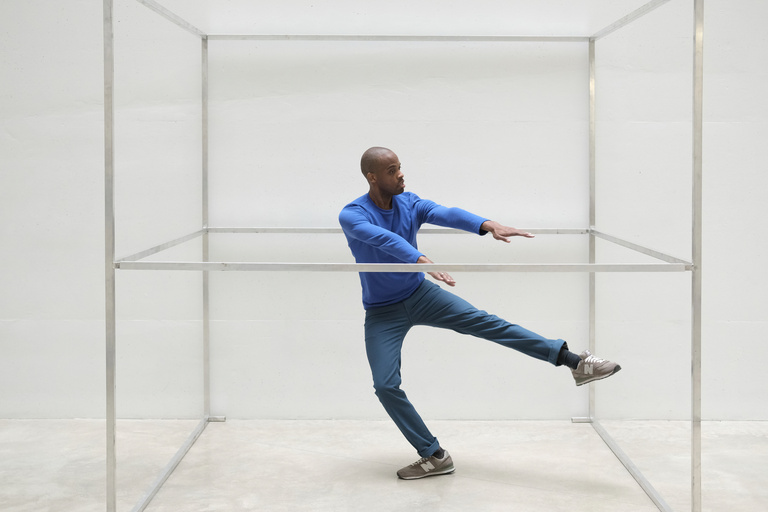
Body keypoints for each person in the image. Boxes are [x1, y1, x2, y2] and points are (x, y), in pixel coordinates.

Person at [338, 146, 621, 480]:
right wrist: (421, 260)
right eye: (392, 171)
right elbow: (383, 240)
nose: (401, 174)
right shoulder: (352, 215)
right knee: (385, 385)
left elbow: (446, 213)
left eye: (400, 167)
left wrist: (488, 224)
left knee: (488, 324)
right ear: (372, 177)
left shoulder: (409, 202)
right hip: (382, 312)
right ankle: (434, 455)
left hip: (420, 295)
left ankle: (577, 362)